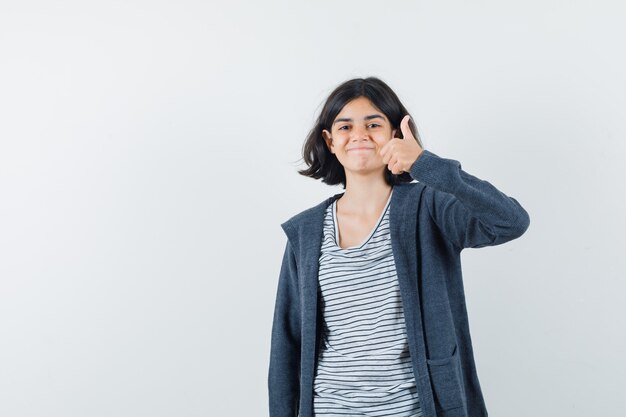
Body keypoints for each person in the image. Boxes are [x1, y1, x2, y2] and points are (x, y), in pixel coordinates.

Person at [268, 76, 530, 417]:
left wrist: (425, 164)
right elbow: (287, 345)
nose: (359, 135)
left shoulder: (430, 209)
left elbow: (510, 221)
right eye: (345, 126)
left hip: (414, 409)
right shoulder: (305, 232)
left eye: (373, 124)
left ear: (395, 134)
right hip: (328, 408)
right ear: (330, 141)